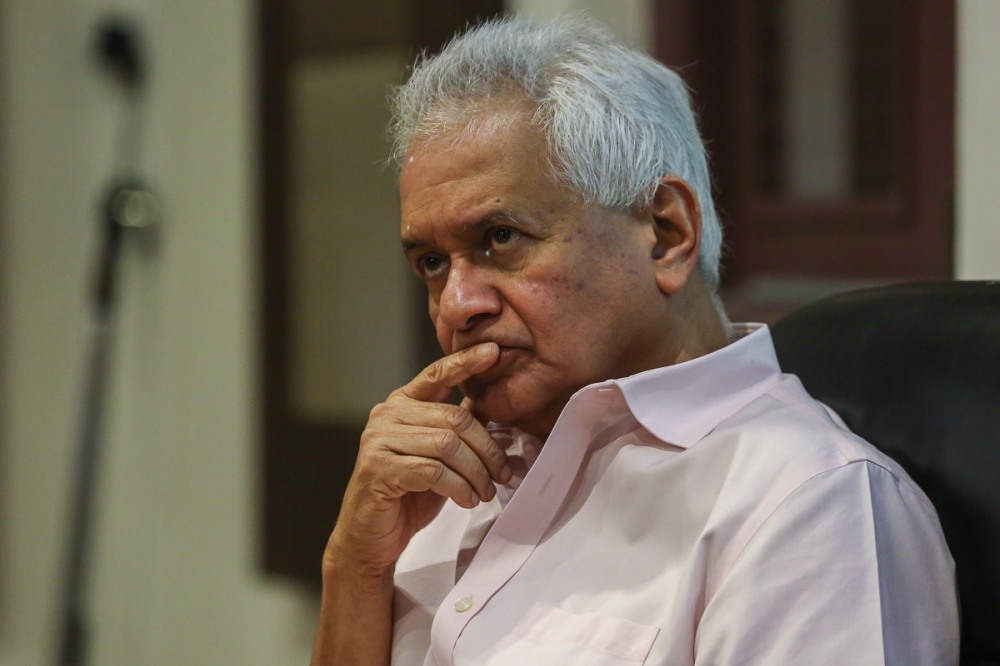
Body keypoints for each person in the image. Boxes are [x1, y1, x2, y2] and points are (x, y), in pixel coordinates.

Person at [310, 16, 959, 666]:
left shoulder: (808, 504)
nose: (457, 305)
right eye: (431, 263)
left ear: (666, 232)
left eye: (500, 238)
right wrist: (353, 570)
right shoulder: (438, 481)